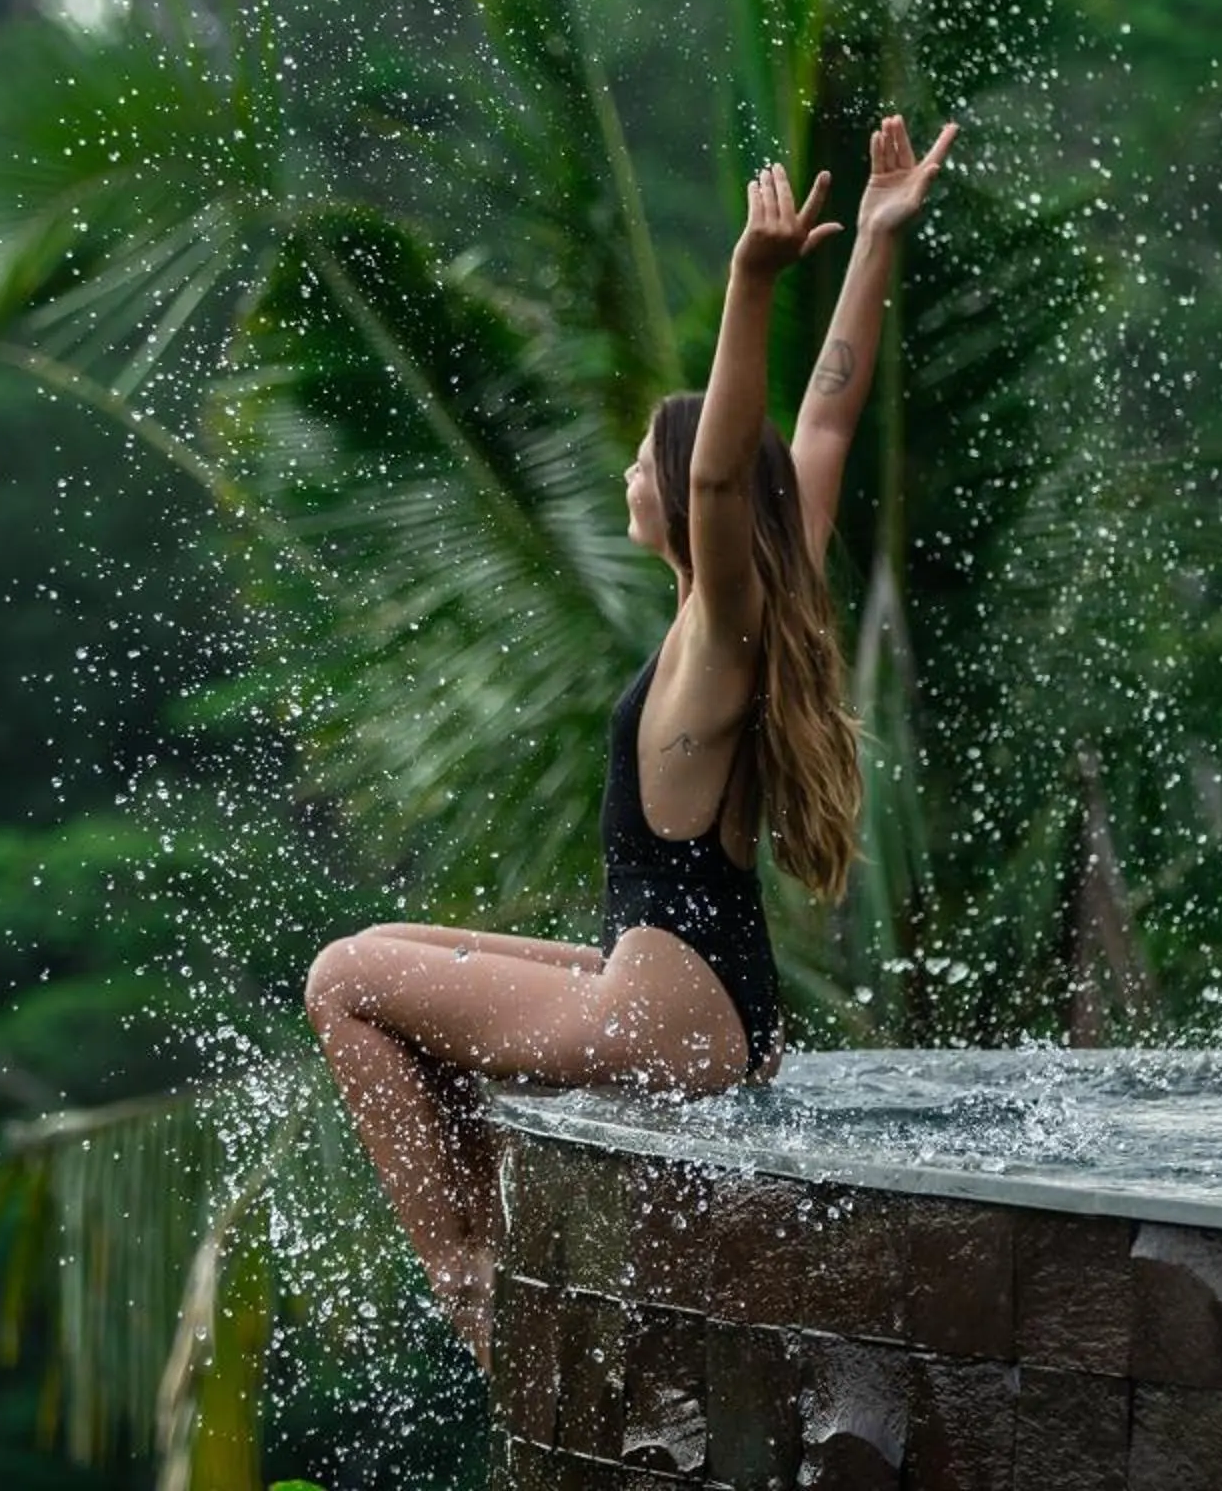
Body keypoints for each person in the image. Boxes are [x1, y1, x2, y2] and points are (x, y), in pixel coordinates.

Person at [301, 114, 959, 1368]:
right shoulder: (765, 602)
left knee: (340, 979)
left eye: (646, 460)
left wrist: (749, 284)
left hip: (666, 1024)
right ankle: (517, 1232)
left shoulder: (721, 630)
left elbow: (732, 475)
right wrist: (874, 240)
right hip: (706, 1004)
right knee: (391, 950)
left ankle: (475, 1280)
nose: (633, 476)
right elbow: (818, 432)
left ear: (683, 490)